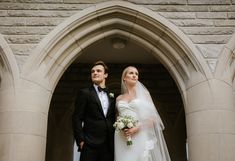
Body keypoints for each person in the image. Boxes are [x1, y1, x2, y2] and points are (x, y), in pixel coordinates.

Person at [114, 66, 171, 161]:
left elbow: (153, 119)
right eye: (131, 73)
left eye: (136, 74)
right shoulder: (119, 98)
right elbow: (118, 117)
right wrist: (122, 127)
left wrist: (136, 128)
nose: (134, 76)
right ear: (124, 77)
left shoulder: (144, 94)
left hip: (139, 134)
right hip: (122, 136)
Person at [72, 61, 116, 161]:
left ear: (105, 75)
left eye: (98, 71)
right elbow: (77, 118)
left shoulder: (112, 95)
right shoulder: (84, 93)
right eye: (93, 71)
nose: (95, 73)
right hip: (89, 144)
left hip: (109, 145)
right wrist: (81, 140)